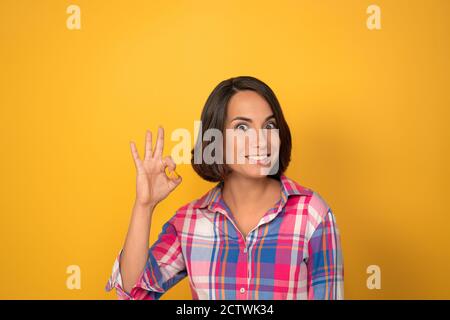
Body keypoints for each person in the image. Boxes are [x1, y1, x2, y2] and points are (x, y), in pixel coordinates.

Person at [105, 76, 344, 299]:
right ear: (215, 138)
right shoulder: (189, 222)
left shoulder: (312, 214)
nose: (261, 140)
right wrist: (144, 205)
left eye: (270, 126)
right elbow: (134, 292)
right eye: (242, 127)